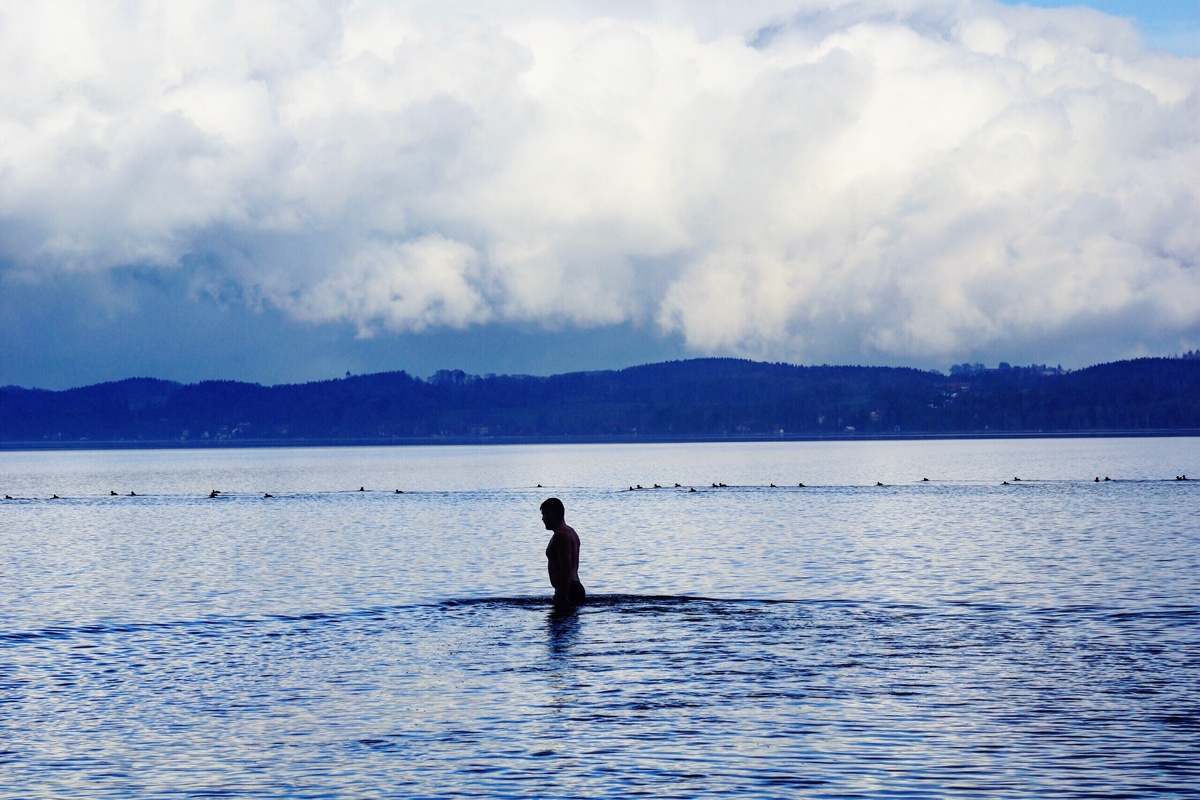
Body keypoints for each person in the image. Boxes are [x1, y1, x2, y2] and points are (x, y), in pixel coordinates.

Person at [541, 497, 585, 612]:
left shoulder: (561, 535)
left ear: (551, 514)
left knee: (558, 629)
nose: (542, 519)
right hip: (573, 587)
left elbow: (566, 566)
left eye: (544, 514)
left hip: (568, 590)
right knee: (567, 628)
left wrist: (563, 595)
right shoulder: (571, 532)